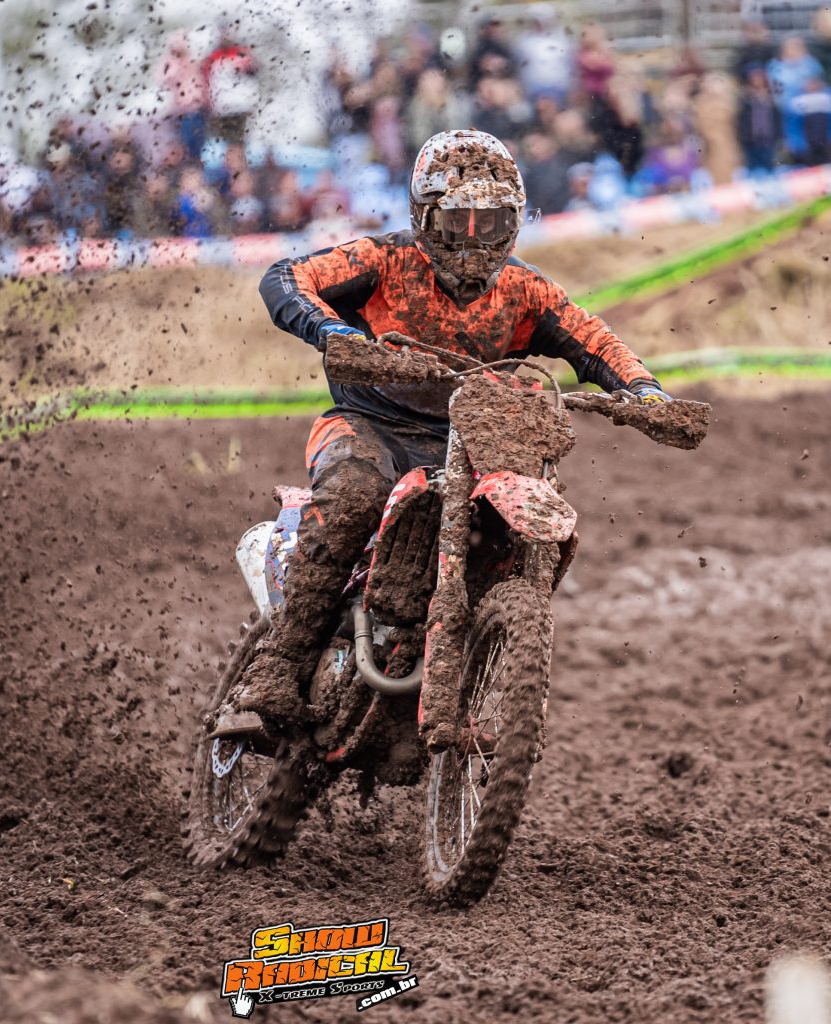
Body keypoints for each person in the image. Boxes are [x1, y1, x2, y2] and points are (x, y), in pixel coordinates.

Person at [213, 129, 670, 737]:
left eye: (493, 221)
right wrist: (337, 334)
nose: (475, 239)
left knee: (520, 526)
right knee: (352, 496)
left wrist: (645, 392)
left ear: (514, 221)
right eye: (459, 221)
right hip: (368, 424)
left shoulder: (525, 290)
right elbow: (286, 277)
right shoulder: (384, 261)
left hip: (474, 440)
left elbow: (595, 341)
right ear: (426, 217)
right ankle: (278, 667)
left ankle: (468, 650)